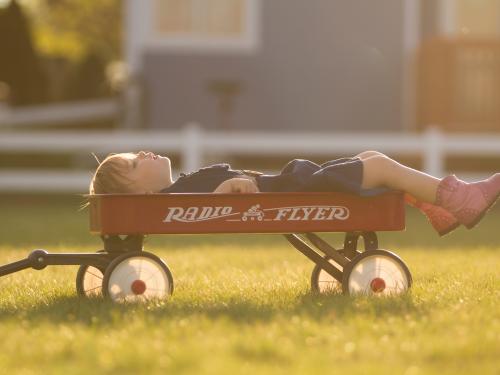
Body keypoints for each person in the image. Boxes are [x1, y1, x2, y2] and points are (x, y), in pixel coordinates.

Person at [89, 150, 500, 236]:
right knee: (377, 167)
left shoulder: (180, 192)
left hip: (291, 185)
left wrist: (228, 186)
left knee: (373, 160)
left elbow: (210, 198)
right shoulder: (181, 197)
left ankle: (442, 205)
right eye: (131, 163)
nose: (141, 152)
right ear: (140, 193)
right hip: (293, 191)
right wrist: (231, 186)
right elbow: (217, 199)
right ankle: (458, 199)